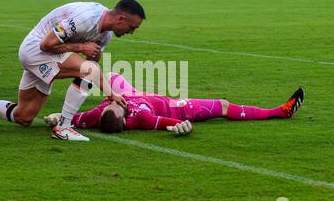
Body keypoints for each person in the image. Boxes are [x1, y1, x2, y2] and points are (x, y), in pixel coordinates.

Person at [0, 0, 146, 141]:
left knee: (24, 116)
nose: (132, 32)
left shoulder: (106, 35)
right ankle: (64, 128)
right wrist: (82, 49)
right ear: (121, 19)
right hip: (35, 50)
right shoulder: (86, 17)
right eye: (132, 27)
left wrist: (110, 93)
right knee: (88, 70)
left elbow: (92, 64)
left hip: (51, 56)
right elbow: (46, 44)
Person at [44, 73, 304, 136]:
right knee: (223, 106)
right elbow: (177, 123)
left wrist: (57, 117)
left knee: (107, 75)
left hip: (135, 92)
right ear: (125, 119)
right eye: (117, 107)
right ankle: (280, 112)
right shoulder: (143, 119)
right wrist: (184, 127)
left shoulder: (97, 114)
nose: (114, 103)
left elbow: (74, 119)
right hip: (173, 106)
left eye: (110, 104)